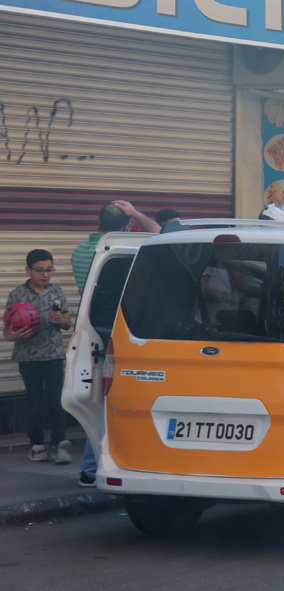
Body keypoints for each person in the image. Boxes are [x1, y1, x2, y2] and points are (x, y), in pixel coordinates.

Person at [70, 201, 160, 487]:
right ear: (126, 227)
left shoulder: (81, 252)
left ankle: (90, 467)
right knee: (116, 403)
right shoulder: (128, 250)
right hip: (121, 336)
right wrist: (137, 214)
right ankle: (108, 463)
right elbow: (161, 235)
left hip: (91, 331)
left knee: (97, 400)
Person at [4, 250, 74, 464]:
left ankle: (59, 444)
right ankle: (36, 445)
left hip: (53, 354)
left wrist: (59, 320)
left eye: (49, 270)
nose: (45, 275)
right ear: (28, 270)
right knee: (34, 401)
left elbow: (67, 323)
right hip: (28, 355)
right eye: (40, 270)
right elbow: (7, 332)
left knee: (55, 400)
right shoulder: (18, 294)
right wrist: (13, 335)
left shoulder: (58, 292)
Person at [72, 201, 161, 294]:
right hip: (115, 308)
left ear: (99, 222)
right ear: (126, 228)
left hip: (87, 308)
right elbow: (160, 235)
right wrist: (135, 213)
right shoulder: (120, 251)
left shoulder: (79, 250)